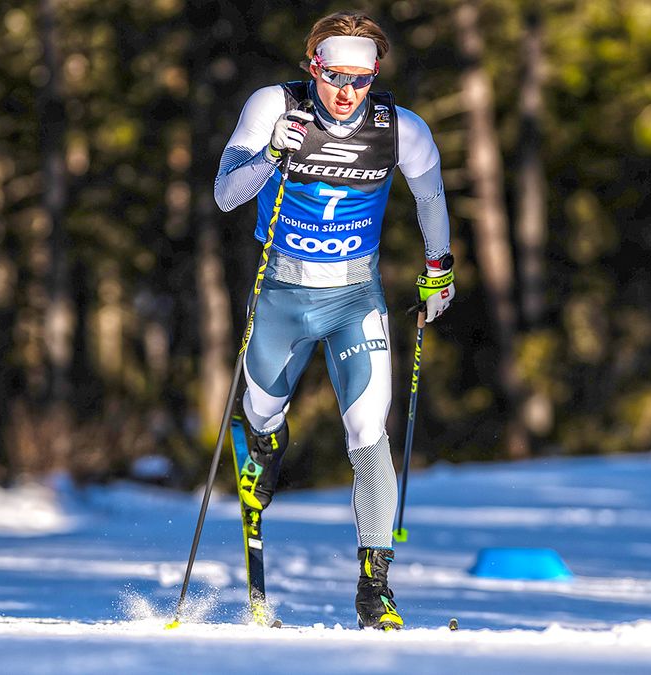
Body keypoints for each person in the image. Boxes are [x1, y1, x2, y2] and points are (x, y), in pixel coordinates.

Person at [213, 11, 454, 630]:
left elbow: (429, 196)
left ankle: (375, 589)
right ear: (312, 68)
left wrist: (439, 269)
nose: (347, 93)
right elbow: (226, 193)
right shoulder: (273, 106)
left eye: (362, 79)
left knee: (369, 433)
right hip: (281, 297)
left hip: (355, 299)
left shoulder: (401, 129)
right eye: (334, 76)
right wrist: (270, 154)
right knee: (262, 413)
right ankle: (266, 444)